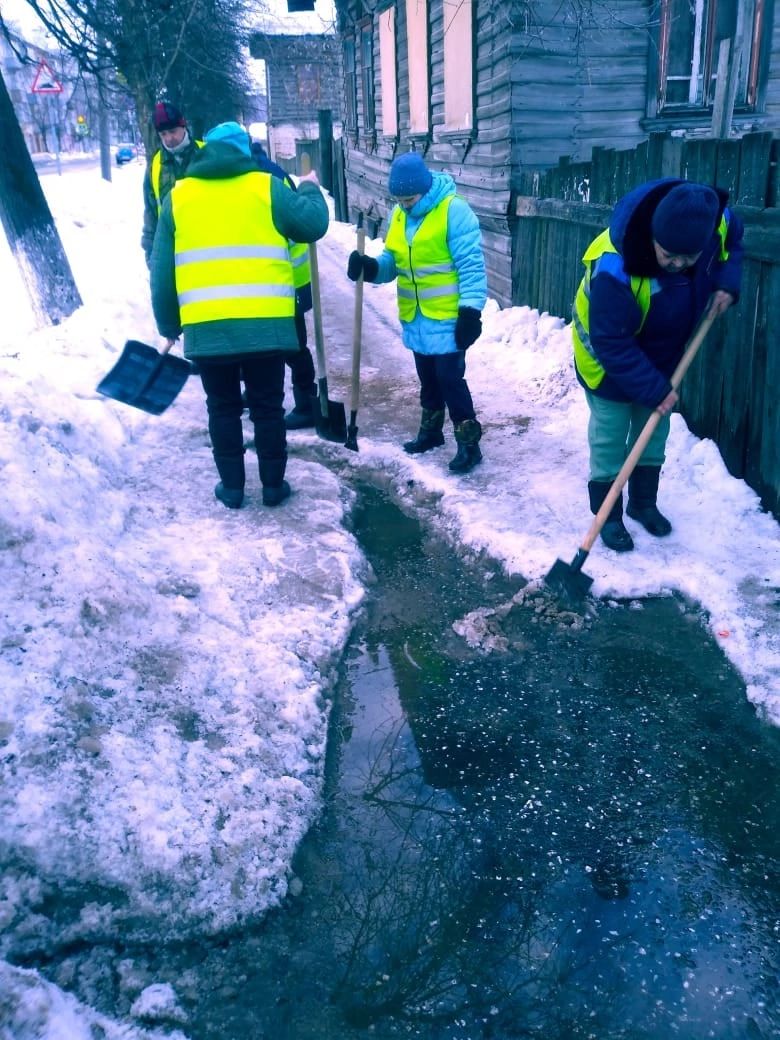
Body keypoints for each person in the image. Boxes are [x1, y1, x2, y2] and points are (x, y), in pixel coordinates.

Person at [150, 121, 329, 509]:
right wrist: (311, 185)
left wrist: (168, 324)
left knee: (222, 407)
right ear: (245, 151)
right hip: (266, 326)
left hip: (207, 328)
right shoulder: (267, 188)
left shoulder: (178, 198)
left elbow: (161, 273)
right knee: (267, 406)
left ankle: (232, 488)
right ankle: (272, 487)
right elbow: (313, 223)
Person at [571, 178, 744, 552]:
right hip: (605, 358)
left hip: (662, 352)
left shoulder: (711, 223)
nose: (679, 265)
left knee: (653, 433)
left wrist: (727, 282)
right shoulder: (614, 267)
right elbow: (611, 343)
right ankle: (609, 516)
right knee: (610, 438)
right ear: (652, 235)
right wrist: (654, 389)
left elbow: (732, 242)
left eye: (689, 259)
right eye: (669, 257)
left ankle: (643, 504)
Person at [346, 152, 487, 474]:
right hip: (416, 317)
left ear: (424, 189)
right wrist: (370, 268)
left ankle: (469, 444)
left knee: (450, 379)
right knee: (428, 379)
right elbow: (392, 263)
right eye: (400, 200)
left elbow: (472, 267)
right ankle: (431, 432)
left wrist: (471, 312)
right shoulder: (398, 215)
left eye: (409, 199)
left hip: (449, 317)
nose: (405, 205)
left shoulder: (454, 211)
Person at [250, 138, 319, 430]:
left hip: (287, 274)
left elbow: (301, 223)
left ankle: (306, 403)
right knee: (278, 343)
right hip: (277, 275)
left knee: (292, 344)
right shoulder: (265, 174)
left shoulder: (269, 179)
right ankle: (263, 395)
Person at [141, 101, 202, 267]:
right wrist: (151, 255)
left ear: (183, 126)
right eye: (163, 134)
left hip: (205, 244)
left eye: (173, 131)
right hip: (172, 250)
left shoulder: (204, 154)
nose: (169, 139)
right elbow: (151, 212)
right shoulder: (156, 167)